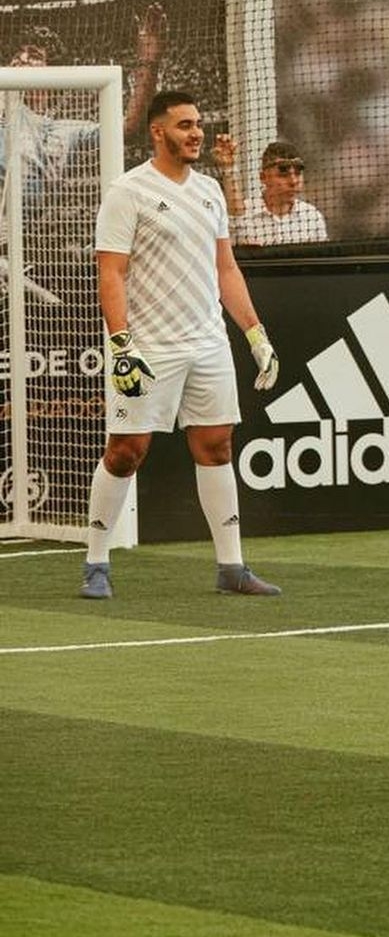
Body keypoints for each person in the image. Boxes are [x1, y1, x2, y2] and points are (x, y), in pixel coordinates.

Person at [78, 90, 282, 600]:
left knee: (217, 447)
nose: (196, 134)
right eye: (185, 125)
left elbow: (226, 268)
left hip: (208, 344)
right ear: (158, 131)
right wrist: (121, 344)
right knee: (126, 452)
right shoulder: (128, 191)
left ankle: (231, 567)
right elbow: (111, 272)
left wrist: (255, 333)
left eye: (198, 124)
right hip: (148, 348)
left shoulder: (210, 190)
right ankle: (96, 564)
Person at [0, 5, 165, 210]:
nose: (21, 58)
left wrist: (149, 62)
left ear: (54, 74)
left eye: (33, 55)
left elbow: (129, 129)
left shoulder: (65, 131)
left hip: (23, 225)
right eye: (18, 53)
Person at [213, 136, 329, 247]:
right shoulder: (245, 213)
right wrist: (228, 168)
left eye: (298, 173)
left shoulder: (312, 216)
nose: (293, 181)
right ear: (263, 177)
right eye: (283, 174)